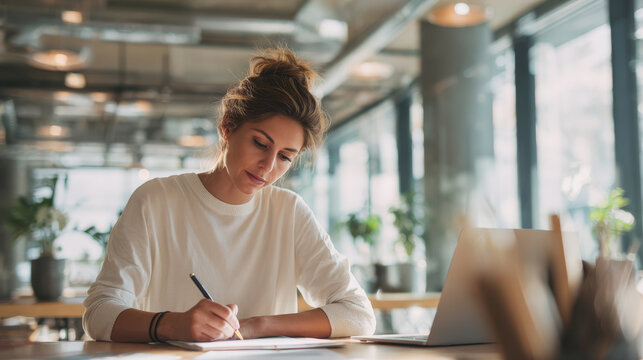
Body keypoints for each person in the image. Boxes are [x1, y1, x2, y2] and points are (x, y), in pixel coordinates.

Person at [82, 48, 376, 342]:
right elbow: (98, 314)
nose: (268, 167)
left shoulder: (289, 212)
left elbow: (358, 314)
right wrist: (171, 325)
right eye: (260, 143)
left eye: (285, 157)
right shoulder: (156, 201)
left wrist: (255, 326)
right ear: (227, 127)